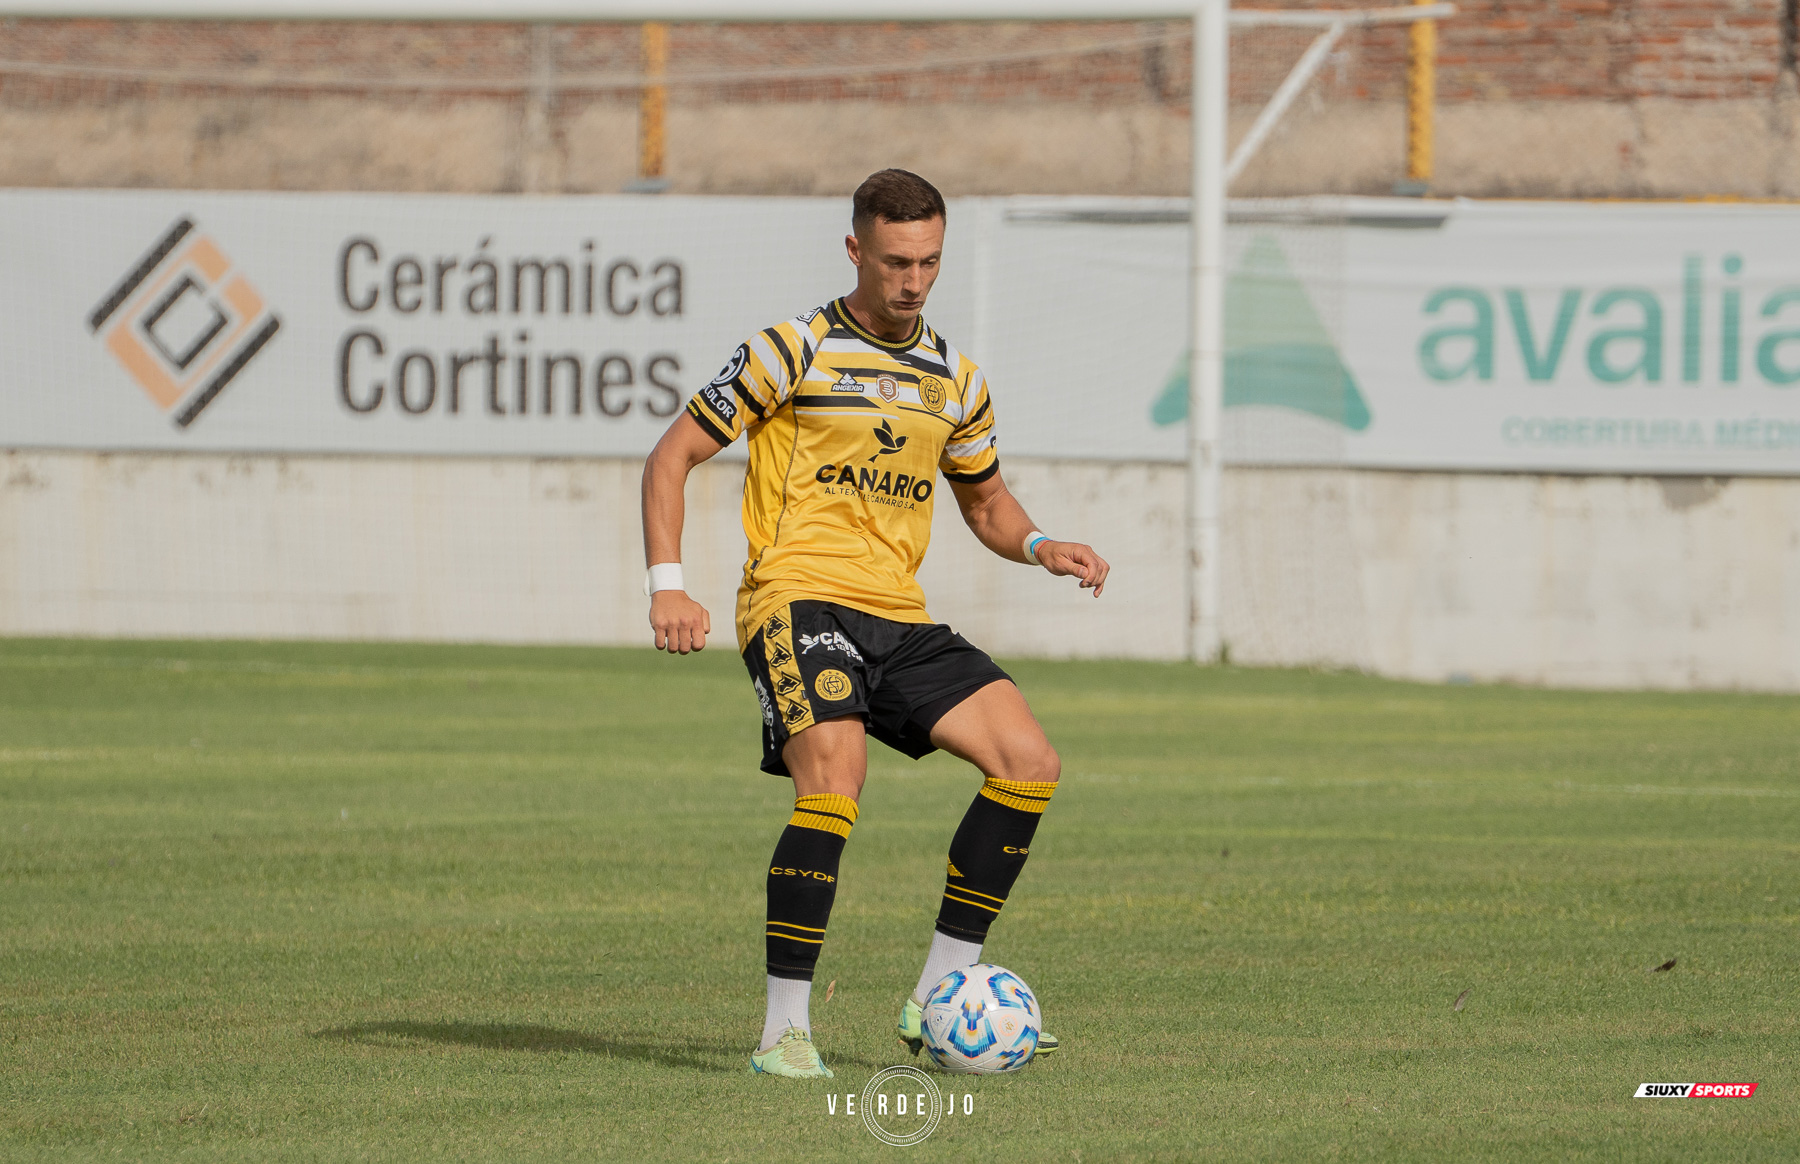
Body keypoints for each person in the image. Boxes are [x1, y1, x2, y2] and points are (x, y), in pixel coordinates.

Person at [640, 168, 1110, 1078]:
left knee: (1029, 761)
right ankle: (785, 1032)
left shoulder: (955, 379)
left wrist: (1041, 542)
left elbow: (987, 503)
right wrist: (669, 585)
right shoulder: (795, 349)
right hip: (795, 598)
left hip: (898, 616)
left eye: (930, 261)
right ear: (856, 250)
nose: (913, 280)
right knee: (836, 777)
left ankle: (939, 995)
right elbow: (673, 455)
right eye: (896, 260)